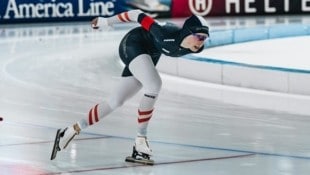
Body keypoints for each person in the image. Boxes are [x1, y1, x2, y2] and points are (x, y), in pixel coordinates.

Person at [51, 9, 209, 163]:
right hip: (133, 43)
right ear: (187, 32)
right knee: (154, 85)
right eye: (199, 36)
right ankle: (141, 140)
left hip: (149, 54)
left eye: (205, 38)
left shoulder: (196, 47)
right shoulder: (164, 34)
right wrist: (106, 21)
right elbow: (136, 15)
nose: (201, 41)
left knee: (116, 101)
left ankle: (71, 130)